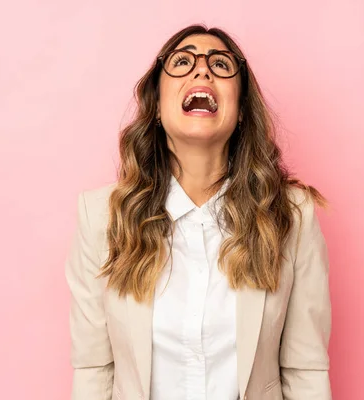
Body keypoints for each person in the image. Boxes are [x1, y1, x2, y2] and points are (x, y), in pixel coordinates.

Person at [65, 24, 332, 400]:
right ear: (157, 106)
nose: (202, 70)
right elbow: (94, 369)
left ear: (240, 110)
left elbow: (305, 370)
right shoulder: (101, 217)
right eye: (182, 61)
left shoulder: (292, 216)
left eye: (221, 65)